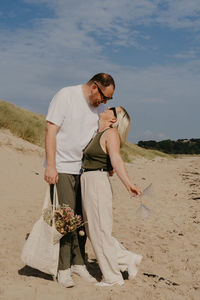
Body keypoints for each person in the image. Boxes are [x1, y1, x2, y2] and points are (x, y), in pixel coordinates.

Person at [44, 73, 115, 288]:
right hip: (63, 167)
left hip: (84, 170)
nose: (104, 103)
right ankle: (63, 267)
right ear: (95, 87)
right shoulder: (66, 95)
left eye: (108, 100)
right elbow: (50, 130)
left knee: (82, 219)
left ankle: (78, 262)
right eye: (104, 97)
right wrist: (51, 165)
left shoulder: (96, 110)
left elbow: (97, 139)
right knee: (66, 218)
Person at [81, 106, 143, 287]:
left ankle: (112, 277)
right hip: (89, 181)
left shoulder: (111, 133)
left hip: (96, 182)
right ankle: (127, 259)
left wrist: (129, 184)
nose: (107, 107)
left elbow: (116, 158)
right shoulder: (98, 132)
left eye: (112, 109)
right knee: (95, 231)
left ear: (114, 119)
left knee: (100, 231)